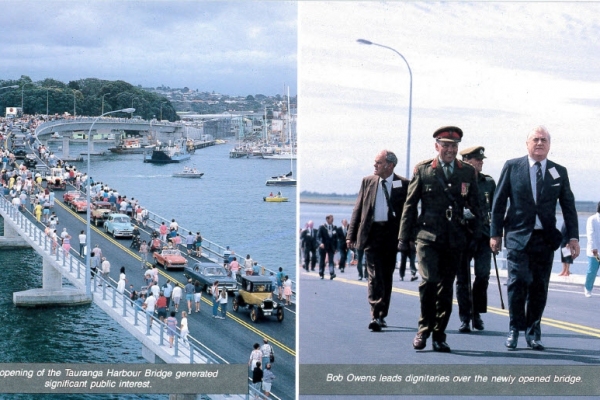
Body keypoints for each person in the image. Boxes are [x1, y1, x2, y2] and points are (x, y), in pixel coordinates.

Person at [491, 125, 579, 351]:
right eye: (536, 140)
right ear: (527, 144)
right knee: (517, 282)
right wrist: (495, 234)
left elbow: (568, 207)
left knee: (539, 287)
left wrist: (574, 238)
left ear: (549, 145)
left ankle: (533, 332)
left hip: (545, 239)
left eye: (544, 140)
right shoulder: (512, 167)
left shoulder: (558, 171)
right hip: (518, 237)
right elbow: (499, 203)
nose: (540, 143)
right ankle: (514, 329)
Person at [398, 127, 481, 352]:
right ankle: (423, 329)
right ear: (437, 146)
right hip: (427, 237)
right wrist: (403, 238)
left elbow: (476, 206)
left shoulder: (466, 172)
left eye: (454, 146)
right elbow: (410, 205)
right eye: (445, 145)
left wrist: (475, 235)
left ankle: (439, 335)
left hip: (454, 238)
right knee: (428, 282)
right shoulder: (424, 170)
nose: (450, 150)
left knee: (446, 289)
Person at [347, 150, 409, 332]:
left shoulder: (402, 184)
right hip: (372, 233)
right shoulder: (368, 181)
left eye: (378, 163)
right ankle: (375, 313)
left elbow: (408, 212)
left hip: (391, 235)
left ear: (390, 165)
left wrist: (407, 237)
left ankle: (382, 314)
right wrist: (351, 235)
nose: (375, 166)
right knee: (374, 275)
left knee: (386, 276)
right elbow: (357, 209)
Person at [455, 145, 496, 333]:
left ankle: (476, 312)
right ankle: (465, 317)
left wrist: (497, 235)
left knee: (483, 275)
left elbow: (496, 210)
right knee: (463, 278)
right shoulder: (457, 180)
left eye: (481, 160)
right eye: (476, 159)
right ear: (466, 161)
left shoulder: (488, 182)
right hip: (464, 236)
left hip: (484, 236)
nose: (480, 162)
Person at [584, 203, 600, 297]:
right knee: (592, 271)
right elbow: (590, 234)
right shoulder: (592, 219)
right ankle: (588, 288)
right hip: (595, 253)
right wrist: (594, 248)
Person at [317, 215, 338, 280]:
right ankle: (321, 273)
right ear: (327, 219)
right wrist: (320, 243)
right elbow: (318, 237)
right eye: (331, 218)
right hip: (323, 246)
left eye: (333, 218)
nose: (332, 220)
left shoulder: (334, 227)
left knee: (331, 260)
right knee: (322, 260)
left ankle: (332, 273)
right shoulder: (322, 227)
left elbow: (336, 239)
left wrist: (336, 248)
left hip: (331, 247)